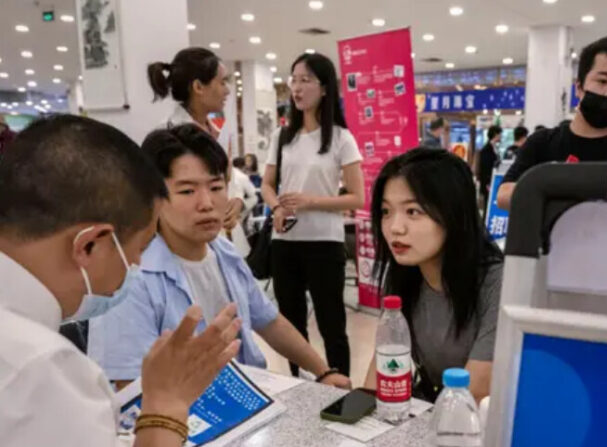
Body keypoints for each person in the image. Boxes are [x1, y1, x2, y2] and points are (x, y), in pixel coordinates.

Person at [0, 115, 242, 447]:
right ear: (89, 244)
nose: (138, 264)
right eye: (139, 249)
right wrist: (166, 404)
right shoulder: (44, 375)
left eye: (216, 187)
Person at [88, 125, 351, 391]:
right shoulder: (129, 280)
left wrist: (323, 371)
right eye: (187, 191)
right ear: (153, 198)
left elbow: (270, 321)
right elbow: (128, 387)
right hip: (182, 418)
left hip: (245, 396)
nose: (206, 203)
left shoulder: (224, 253)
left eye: (215, 187)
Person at [364, 149, 504, 403]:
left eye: (413, 212)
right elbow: (383, 367)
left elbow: (473, 394)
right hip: (431, 407)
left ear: (453, 214)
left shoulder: (497, 282)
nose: (395, 227)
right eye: (386, 211)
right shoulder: (403, 276)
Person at [262, 53, 365, 378]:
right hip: (285, 242)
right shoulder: (282, 137)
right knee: (291, 326)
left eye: (306, 79)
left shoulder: (340, 138)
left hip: (325, 242)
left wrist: (310, 201)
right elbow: (266, 184)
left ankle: (340, 388)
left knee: (332, 324)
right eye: (294, 79)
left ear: (324, 88)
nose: (297, 86)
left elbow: (358, 197)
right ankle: (300, 388)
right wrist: (277, 206)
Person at [497, 34, 607, 210]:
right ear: (579, 87)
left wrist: (553, 191)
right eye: (603, 81)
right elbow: (504, 195)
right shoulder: (541, 142)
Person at [147, 47, 247, 251]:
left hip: (219, 238)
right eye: (222, 82)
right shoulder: (166, 135)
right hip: (182, 245)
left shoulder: (216, 130)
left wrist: (236, 199)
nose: (227, 90)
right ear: (198, 87)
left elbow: (227, 177)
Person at [478, 125, 502, 202]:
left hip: (493, 181)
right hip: (488, 183)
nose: (501, 136)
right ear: (495, 134)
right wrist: (487, 183)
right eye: (500, 134)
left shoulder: (495, 148)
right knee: (487, 204)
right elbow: (484, 168)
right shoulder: (486, 150)